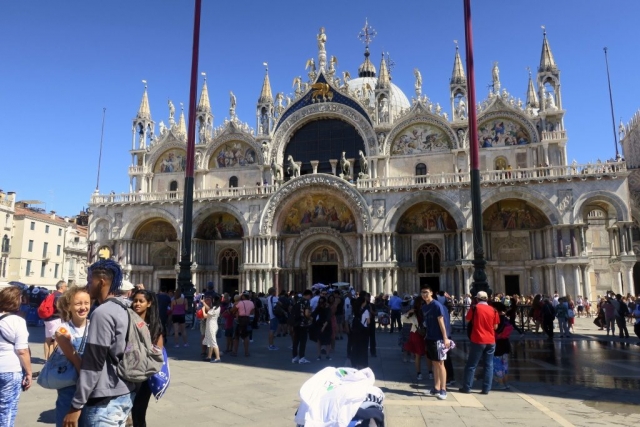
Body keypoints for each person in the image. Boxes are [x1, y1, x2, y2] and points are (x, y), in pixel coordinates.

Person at [64, 259, 135, 427]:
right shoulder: (127, 307)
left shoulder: (102, 313)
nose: (88, 285)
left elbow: (93, 363)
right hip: (125, 392)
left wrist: (76, 405)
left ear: (101, 282)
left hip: (105, 399)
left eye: (90, 281)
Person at [53, 286, 91, 427]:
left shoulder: (96, 326)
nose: (83, 307)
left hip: (91, 387)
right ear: (69, 306)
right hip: (70, 387)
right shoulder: (63, 330)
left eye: (86, 303)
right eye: (78, 304)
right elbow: (76, 361)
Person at [130, 289, 164, 427]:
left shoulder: (154, 324)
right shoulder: (126, 320)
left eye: (141, 301)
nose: (137, 304)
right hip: (126, 371)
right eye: (135, 300)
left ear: (149, 304)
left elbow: (158, 352)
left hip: (144, 374)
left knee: (139, 411)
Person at [0, 286, 32, 427]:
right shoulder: (17, 321)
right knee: (8, 408)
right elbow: (22, 350)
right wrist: (29, 373)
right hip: (10, 369)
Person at [459, 291, 499, 395]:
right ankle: (486, 389)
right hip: (491, 340)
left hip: (478, 340)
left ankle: (467, 387)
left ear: (477, 299)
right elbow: (495, 327)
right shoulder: (493, 309)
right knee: (489, 365)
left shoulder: (475, 308)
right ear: (487, 299)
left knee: (471, 365)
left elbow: (467, 320)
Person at [421, 286, 451, 401]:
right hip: (430, 337)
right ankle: (436, 387)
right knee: (434, 363)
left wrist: (445, 338)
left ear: (431, 293)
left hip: (439, 338)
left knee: (440, 364)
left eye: (426, 292)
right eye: (422, 293)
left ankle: (443, 389)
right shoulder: (424, 307)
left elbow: (441, 322)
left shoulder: (437, 305)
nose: (424, 295)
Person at [402, 297, 427, 381]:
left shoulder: (427, 310)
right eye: (422, 303)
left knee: (428, 355)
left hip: (426, 333)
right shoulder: (414, 312)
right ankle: (419, 373)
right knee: (418, 354)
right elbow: (403, 319)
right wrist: (408, 312)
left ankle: (430, 372)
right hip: (417, 333)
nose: (423, 304)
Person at [491, 302, 513, 391]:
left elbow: (497, 330)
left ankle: (500, 383)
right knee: (505, 364)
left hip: (498, 344)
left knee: (497, 364)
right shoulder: (506, 318)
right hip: (505, 343)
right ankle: (505, 382)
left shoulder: (498, 318)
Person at [44, 280, 67, 359]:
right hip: (55, 319)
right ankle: (55, 358)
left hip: (47, 319)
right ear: (61, 287)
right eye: (65, 286)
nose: (66, 288)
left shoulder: (52, 294)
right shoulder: (59, 296)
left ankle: (47, 359)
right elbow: (60, 308)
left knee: (48, 340)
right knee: (57, 338)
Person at [350, 294, 371, 369]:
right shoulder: (366, 311)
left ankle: (355, 363)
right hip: (363, 331)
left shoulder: (355, 310)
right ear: (363, 302)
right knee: (363, 349)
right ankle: (362, 364)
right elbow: (368, 322)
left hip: (356, 332)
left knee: (356, 347)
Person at [291, 290, 312, 364]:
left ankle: (294, 357)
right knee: (303, 341)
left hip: (296, 323)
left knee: (295, 341)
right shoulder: (306, 302)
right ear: (308, 295)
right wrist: (310, 317)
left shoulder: (297, 301)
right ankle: (302, 357)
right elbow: (306, 313)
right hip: (303, 323)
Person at [232, 293, 254, 357]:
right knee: (246, 336)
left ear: (244, 297)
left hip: (240, 320)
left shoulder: (240, 303)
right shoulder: (251, 303)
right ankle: (246, 352)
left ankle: (235, 352)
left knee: (236, 336)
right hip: (247, 319)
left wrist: (235, 304)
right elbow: (252, 312)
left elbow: (233, 310)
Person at [202, 295, 221, 363]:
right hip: (213, 324)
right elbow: (210, 309)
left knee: (213, 341)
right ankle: (209, 356)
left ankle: (217, 357)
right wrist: (204, 303)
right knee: (210, 341)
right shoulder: (217, 307)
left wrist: (203, 310)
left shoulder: (214, 309)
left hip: (211, 325)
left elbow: (205, 315)